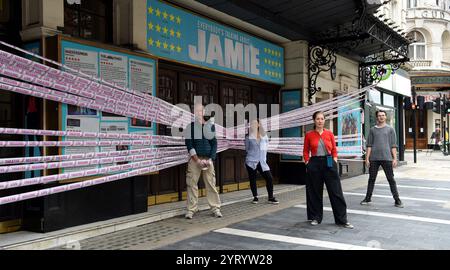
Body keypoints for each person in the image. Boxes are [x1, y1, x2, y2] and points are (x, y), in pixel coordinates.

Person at [303, 111, 353, 229]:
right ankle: (316, 217)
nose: (320, 121)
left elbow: (334, 149)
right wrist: (307, 162)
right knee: (315, 191)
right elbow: (305, 150)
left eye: (322, 119)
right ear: (314, 121)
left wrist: (334, 159)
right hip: (314, 163)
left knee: (336, 192)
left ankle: (342, 219)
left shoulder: (329, 134)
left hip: (329, 162)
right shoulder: (309, 134)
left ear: (324, 120)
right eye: (318, 119)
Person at [184, 104, 222, 219]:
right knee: (191, 184)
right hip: (195, 159)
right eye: (197, 111)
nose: (199, 113)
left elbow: (214, 144)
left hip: (208, 159)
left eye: (201, 110)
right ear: (194, 113)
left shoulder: (210, 126)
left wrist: (211, 159)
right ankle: (191, 209)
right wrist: (197, 160)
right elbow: (189, 144)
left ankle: (215, 208)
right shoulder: (190, 127)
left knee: (211, 183)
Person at [360, 110, 403, 208]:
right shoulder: (372, 130)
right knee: (371, 179)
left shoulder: (390, 129)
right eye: (379, 116)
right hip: (374, 159)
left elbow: (393, 145)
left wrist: (395, 158)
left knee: (391, 179)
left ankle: (397, 200)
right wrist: (367, 159)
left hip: (387, 158)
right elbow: (369, 145)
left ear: (385, 117)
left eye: (383, 115)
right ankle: (368, 198)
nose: (381, 117)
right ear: (377, 117)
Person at [245, 119, 279, 205]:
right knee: (252, 179)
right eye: (252, 124)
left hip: (262, 161)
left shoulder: (265, 136)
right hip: (251, 161)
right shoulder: (248, 137)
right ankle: (255, 197)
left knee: (269, 178)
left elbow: (266, 147)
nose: (253, 125)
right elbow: (247, 149)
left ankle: (270, 197)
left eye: (255, 124)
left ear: (259, 125)